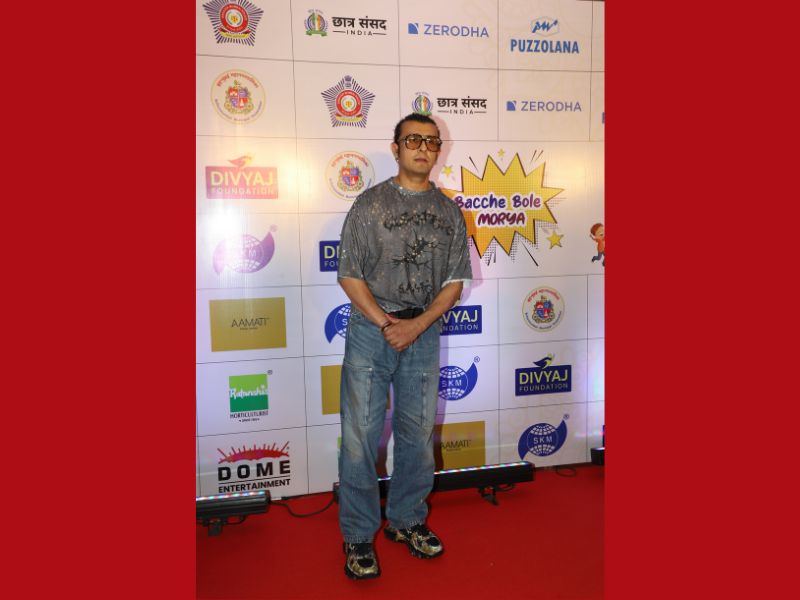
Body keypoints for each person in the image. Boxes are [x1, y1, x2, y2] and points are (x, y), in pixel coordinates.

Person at [336, 113, 472, 580]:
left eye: (431, 142)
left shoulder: (449, 212)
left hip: (423, 332)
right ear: (396, 148)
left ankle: (407, 520)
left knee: (416, 437)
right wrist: (386, 323)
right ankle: (358, 535)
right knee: (360, 439)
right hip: (370, 332)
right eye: (413, 140)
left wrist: (416, 327)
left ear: (438, 151)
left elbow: (454, 283)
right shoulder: (369, 203)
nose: (423, 148)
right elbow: (349, 274)